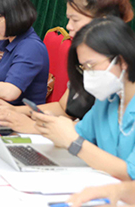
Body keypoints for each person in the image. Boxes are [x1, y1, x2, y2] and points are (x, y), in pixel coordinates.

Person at [0, 0, 134, 133]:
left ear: (103, 20)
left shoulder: (112, 72)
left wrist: (35, 127)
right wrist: (14, 110)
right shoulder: (85, 60)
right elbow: (65, 108)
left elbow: (96, 131)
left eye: (75, 19)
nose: (68, 26)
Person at [31, 16, 135, 180]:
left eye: (91, 66)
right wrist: (53, 126)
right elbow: (80, 133)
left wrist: (73, 140)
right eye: (84, 68)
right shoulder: (107, 100)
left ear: (122, 61)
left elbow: (131, 174)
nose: (88, 75)